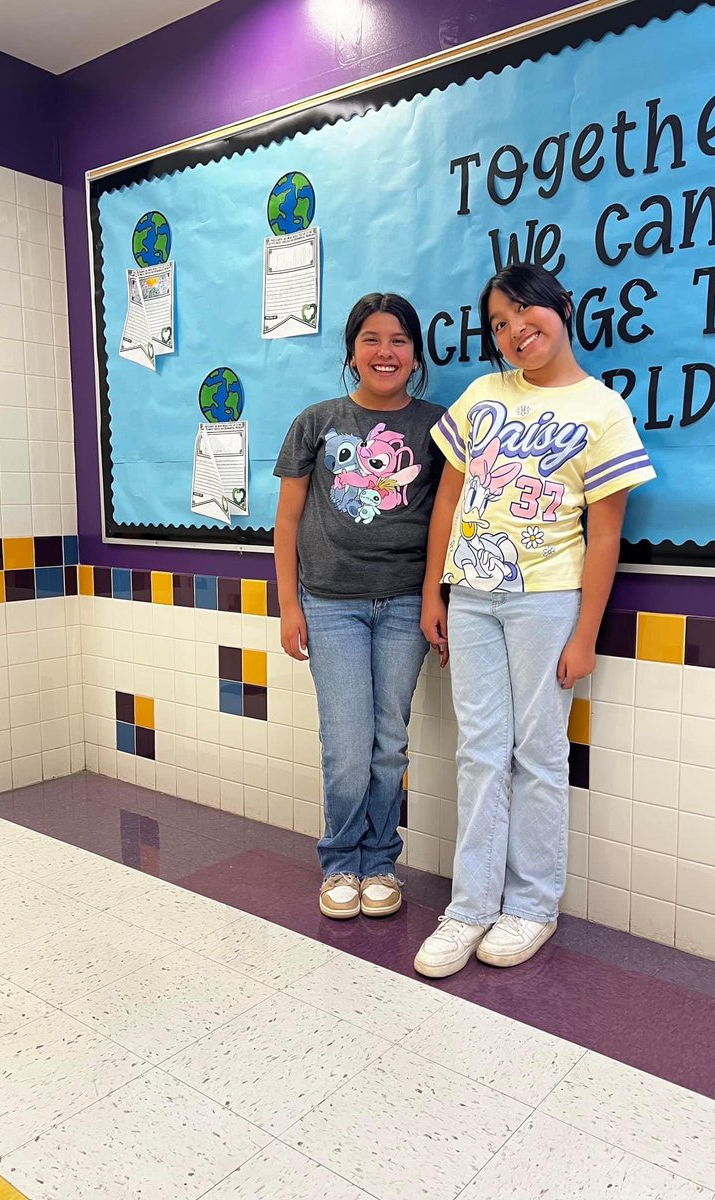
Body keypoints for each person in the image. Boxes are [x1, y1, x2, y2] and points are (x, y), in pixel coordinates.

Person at [414, 263, 655, 977]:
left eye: (526, 314)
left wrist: (585, 634)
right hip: (473, 597)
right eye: (498, 324)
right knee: (479, 751)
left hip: (548, 600)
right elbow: (448, 502)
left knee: (539, 756)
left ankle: (533, 906)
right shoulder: (483, 394)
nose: (515, 332)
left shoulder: (602, 409)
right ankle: (469, 909)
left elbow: (606, 535)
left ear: (562, 308)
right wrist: (436, 591)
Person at [274, 293, 445, 919]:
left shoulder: (438, 425)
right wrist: (289, 606)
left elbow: (444, 524)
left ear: (416, 355)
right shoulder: (316, 421)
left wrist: (433, 600)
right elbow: (287, 521)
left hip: (404, 607)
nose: (385, 352)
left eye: (399, 340)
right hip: (330, 605)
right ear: (351, 353)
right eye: (371, 339)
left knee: (389, 743)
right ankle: (340, 862)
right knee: (346, 745)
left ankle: (380, 864)